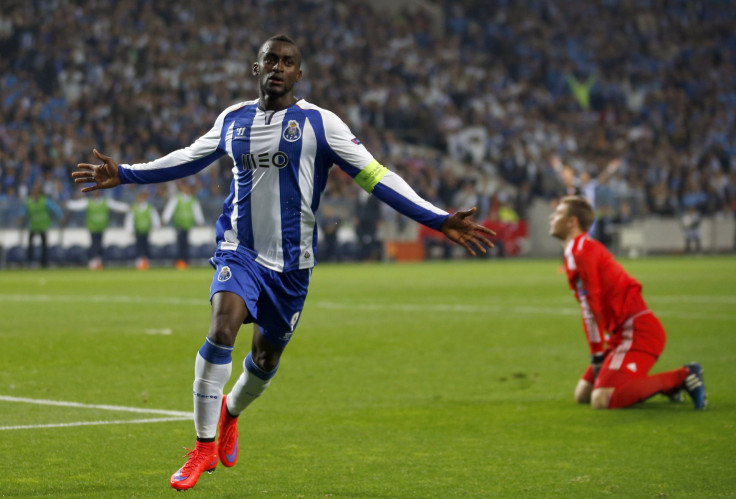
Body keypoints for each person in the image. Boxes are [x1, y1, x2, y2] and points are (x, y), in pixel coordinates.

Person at [72, 34, 495, 491]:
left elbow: (376, 175)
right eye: (269, 59)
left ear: (299, 73)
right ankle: (200, 447)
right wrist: (127, 173)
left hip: (293, 266)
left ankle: (230, 413)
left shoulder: (321, 124)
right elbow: (189, 158)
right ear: (256, 68)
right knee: (221, 328)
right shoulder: (233, 120)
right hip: (240, 249)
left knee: (265, 358)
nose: (277, 67)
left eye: (287, 61)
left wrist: (437, 219)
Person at [549, 196, 707, 411]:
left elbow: (591, 308)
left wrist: (596, 355)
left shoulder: (582, 252)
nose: (552, 217)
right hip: (620, 335)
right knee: (583, 394)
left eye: (558, 214)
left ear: (572, 222)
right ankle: (665, 388)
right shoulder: (577, 251)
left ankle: (682, 376)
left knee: (602, 399)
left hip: (638, 332)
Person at [67, 190, 129, 270]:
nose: (95, 193)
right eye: (94, 192)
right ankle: (93, 261)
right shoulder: (89, 202)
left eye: (97, 192)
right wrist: (68, 204)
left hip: (101, 227)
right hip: (92, 227)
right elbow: (78, 205)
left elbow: (116, 205)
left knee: (99, 244)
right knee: (94, 244)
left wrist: (126, 207)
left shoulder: (105, 201)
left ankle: (98, 260)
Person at [162, 180, 205, 269]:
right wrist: (165, 218)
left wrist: (200, 221)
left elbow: (196, 211)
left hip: (188, 224)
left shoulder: (192, 200)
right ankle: (180, 260)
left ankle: (185, 261)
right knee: (180, 242)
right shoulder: (177, 198)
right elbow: (170, 209)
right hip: (179, 224)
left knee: (185, 243)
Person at [19, 183, 63, 268]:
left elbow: (55, 208)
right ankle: (30, 262)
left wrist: (60, 217)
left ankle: (44, 263)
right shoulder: (29, 201)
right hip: (33, 225)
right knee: (30, 245)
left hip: (43, 226)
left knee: (44, 246)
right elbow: (24, 210)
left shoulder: (45, 200)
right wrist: (20, 218)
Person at [124, 189, 161, 270]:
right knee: (138, 245)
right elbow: (130, 219)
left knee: (146, 245)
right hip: (138, 230)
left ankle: (145, 260)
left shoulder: (149, 207)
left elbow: (154, 217)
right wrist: (130, 229)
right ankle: (139, 261)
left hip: (146, 229)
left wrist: (157, 225)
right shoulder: (134, 208)